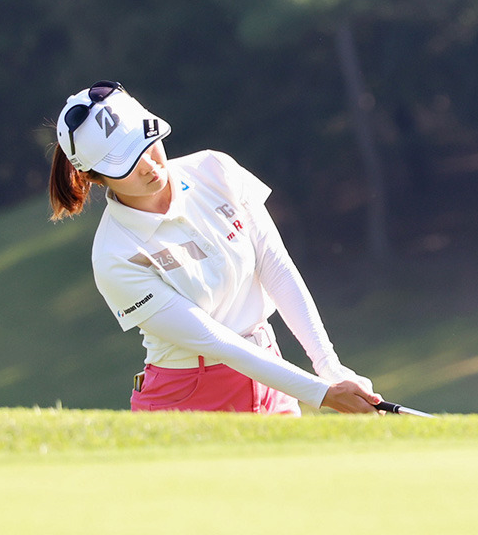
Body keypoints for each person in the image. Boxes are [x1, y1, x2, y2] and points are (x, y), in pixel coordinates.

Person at [47, 80, 383, 415]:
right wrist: (322, 393)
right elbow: (215, 341)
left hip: (270, 375)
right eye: (127, 164)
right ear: (94, 176)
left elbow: (275, 267)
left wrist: (330, 368)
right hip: (186, 398)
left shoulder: (215, 170)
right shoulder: (114, 255)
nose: (149, 165)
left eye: (145, 144)